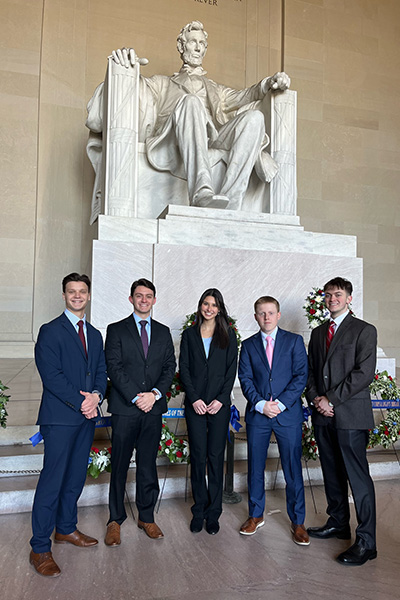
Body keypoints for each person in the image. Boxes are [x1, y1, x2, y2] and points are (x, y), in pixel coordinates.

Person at [86, 20, 290, 212]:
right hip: (174, 138)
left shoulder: (215, 89)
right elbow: (137, 89)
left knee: (255, 118)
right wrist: (126, 64)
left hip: (213, 137)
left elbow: (245, 95)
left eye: (202, 43)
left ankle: (231, 199)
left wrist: (268, 83)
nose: (198, 48)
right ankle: (201, 191)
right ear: (181, 46)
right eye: (193, 42)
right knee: (191, 101)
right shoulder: (162, 83)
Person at [30, 273, 107, 577]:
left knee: (75, 478)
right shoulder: (50, 331)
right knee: (52, 482)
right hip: (60, 418)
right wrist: (83, 402)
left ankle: (65, 529)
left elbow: (101, 371)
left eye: (82, 292)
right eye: (72, 292)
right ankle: (39, 548)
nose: (77, 296)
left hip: (86, 418)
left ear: (88, 295)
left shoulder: (95, 334)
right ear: (64, 295)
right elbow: (52, 377)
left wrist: (97, 395)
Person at [306, 277, 378, 566]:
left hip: (350, 415)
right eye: (328, 295)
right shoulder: (318, 332)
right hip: (323, 417)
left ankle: (367, 541)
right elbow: (310, 371)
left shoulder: (364, 330)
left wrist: (331, 399)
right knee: (332, 473)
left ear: (349, 298)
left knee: (358, 479)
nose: (332, 298)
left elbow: (364, 373)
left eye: (338, 294)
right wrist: (315, 399)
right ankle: (338, 522)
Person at [104, 278, 175, 545]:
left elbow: (169, 366)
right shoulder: (116, 330)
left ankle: (147, 517)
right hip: (125, 408)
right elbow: (114, 367)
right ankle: (115, 519)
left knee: (147, 465)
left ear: (154, 300)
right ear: (131, 299)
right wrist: (136, 396)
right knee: (120, 465)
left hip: (152, 409)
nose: (144, 300)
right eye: (139, 295)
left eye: (148, 296)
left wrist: (154, 395)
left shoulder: (164, 331)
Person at [238, 296, 309, 545]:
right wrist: (260, 404)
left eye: (270, 313)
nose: (266, 317)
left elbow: (301, 376)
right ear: (255, 316)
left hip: (287, 414)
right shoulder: (247, 345)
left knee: (292, 469)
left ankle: (298, 521)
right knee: (255, 468)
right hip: (259, 415)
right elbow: (245, 379)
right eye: (261, 313)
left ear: (278, 315)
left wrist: (279, 404)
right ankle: (255, 515)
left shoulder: (294, 341)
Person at [179, 289, 238, 534]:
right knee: (198, 457)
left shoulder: (228, 335)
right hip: (195, 406)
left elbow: (230, 369)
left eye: (214, 304)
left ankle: (214, 513)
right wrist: (194, 398)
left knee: (215, 458)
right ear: (200, 305)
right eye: (205, 303)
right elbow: (184, 368)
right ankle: (199, 510)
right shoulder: (189, 335)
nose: (209, 308)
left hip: (218, 407)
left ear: (220, 308)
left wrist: (220, 399)